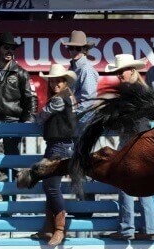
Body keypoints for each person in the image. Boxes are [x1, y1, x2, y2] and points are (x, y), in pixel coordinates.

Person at [103, 54, 154, 241]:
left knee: (124, 183)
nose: (120, 75)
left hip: (131, 139)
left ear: (132, 71)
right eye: (118, 72)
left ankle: (127, 228)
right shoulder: (142, 90)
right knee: (143, 185)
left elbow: (124, 116)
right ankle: (151, 228)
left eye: (122, 71)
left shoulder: (131, 91)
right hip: (143, 139)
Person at [33, 64, 77, 246]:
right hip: (61, 145)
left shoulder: (59, 100)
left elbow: (41, 118)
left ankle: (59, 228)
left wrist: (39, 113)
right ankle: (49, 227)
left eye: (59, 80)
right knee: (48, 185)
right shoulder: (69, 97)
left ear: (65, 81)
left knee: (51, 185)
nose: (55, 84)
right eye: (53, 81)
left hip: (58, 146)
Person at [0, 32, 38, 179]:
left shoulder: (21, 73)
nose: (10, 51)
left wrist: (27, 122)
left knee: (13, 159)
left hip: (13, 122)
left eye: (12, 48)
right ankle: (7, 170)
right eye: (6, 47)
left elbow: (31, 98)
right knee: (10, 165)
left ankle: (12, 189)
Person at [62, 30, 99, 217]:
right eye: (71, 48)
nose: (73, 51)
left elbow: (89, 101)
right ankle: (84, 206)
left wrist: (71, 114)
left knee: (83, 165)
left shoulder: (84, 69)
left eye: (77, 48)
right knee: (80, 166)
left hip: (83, 124)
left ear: (84, 50)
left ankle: (86, 208)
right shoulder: (76, 68)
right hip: (78, 124)